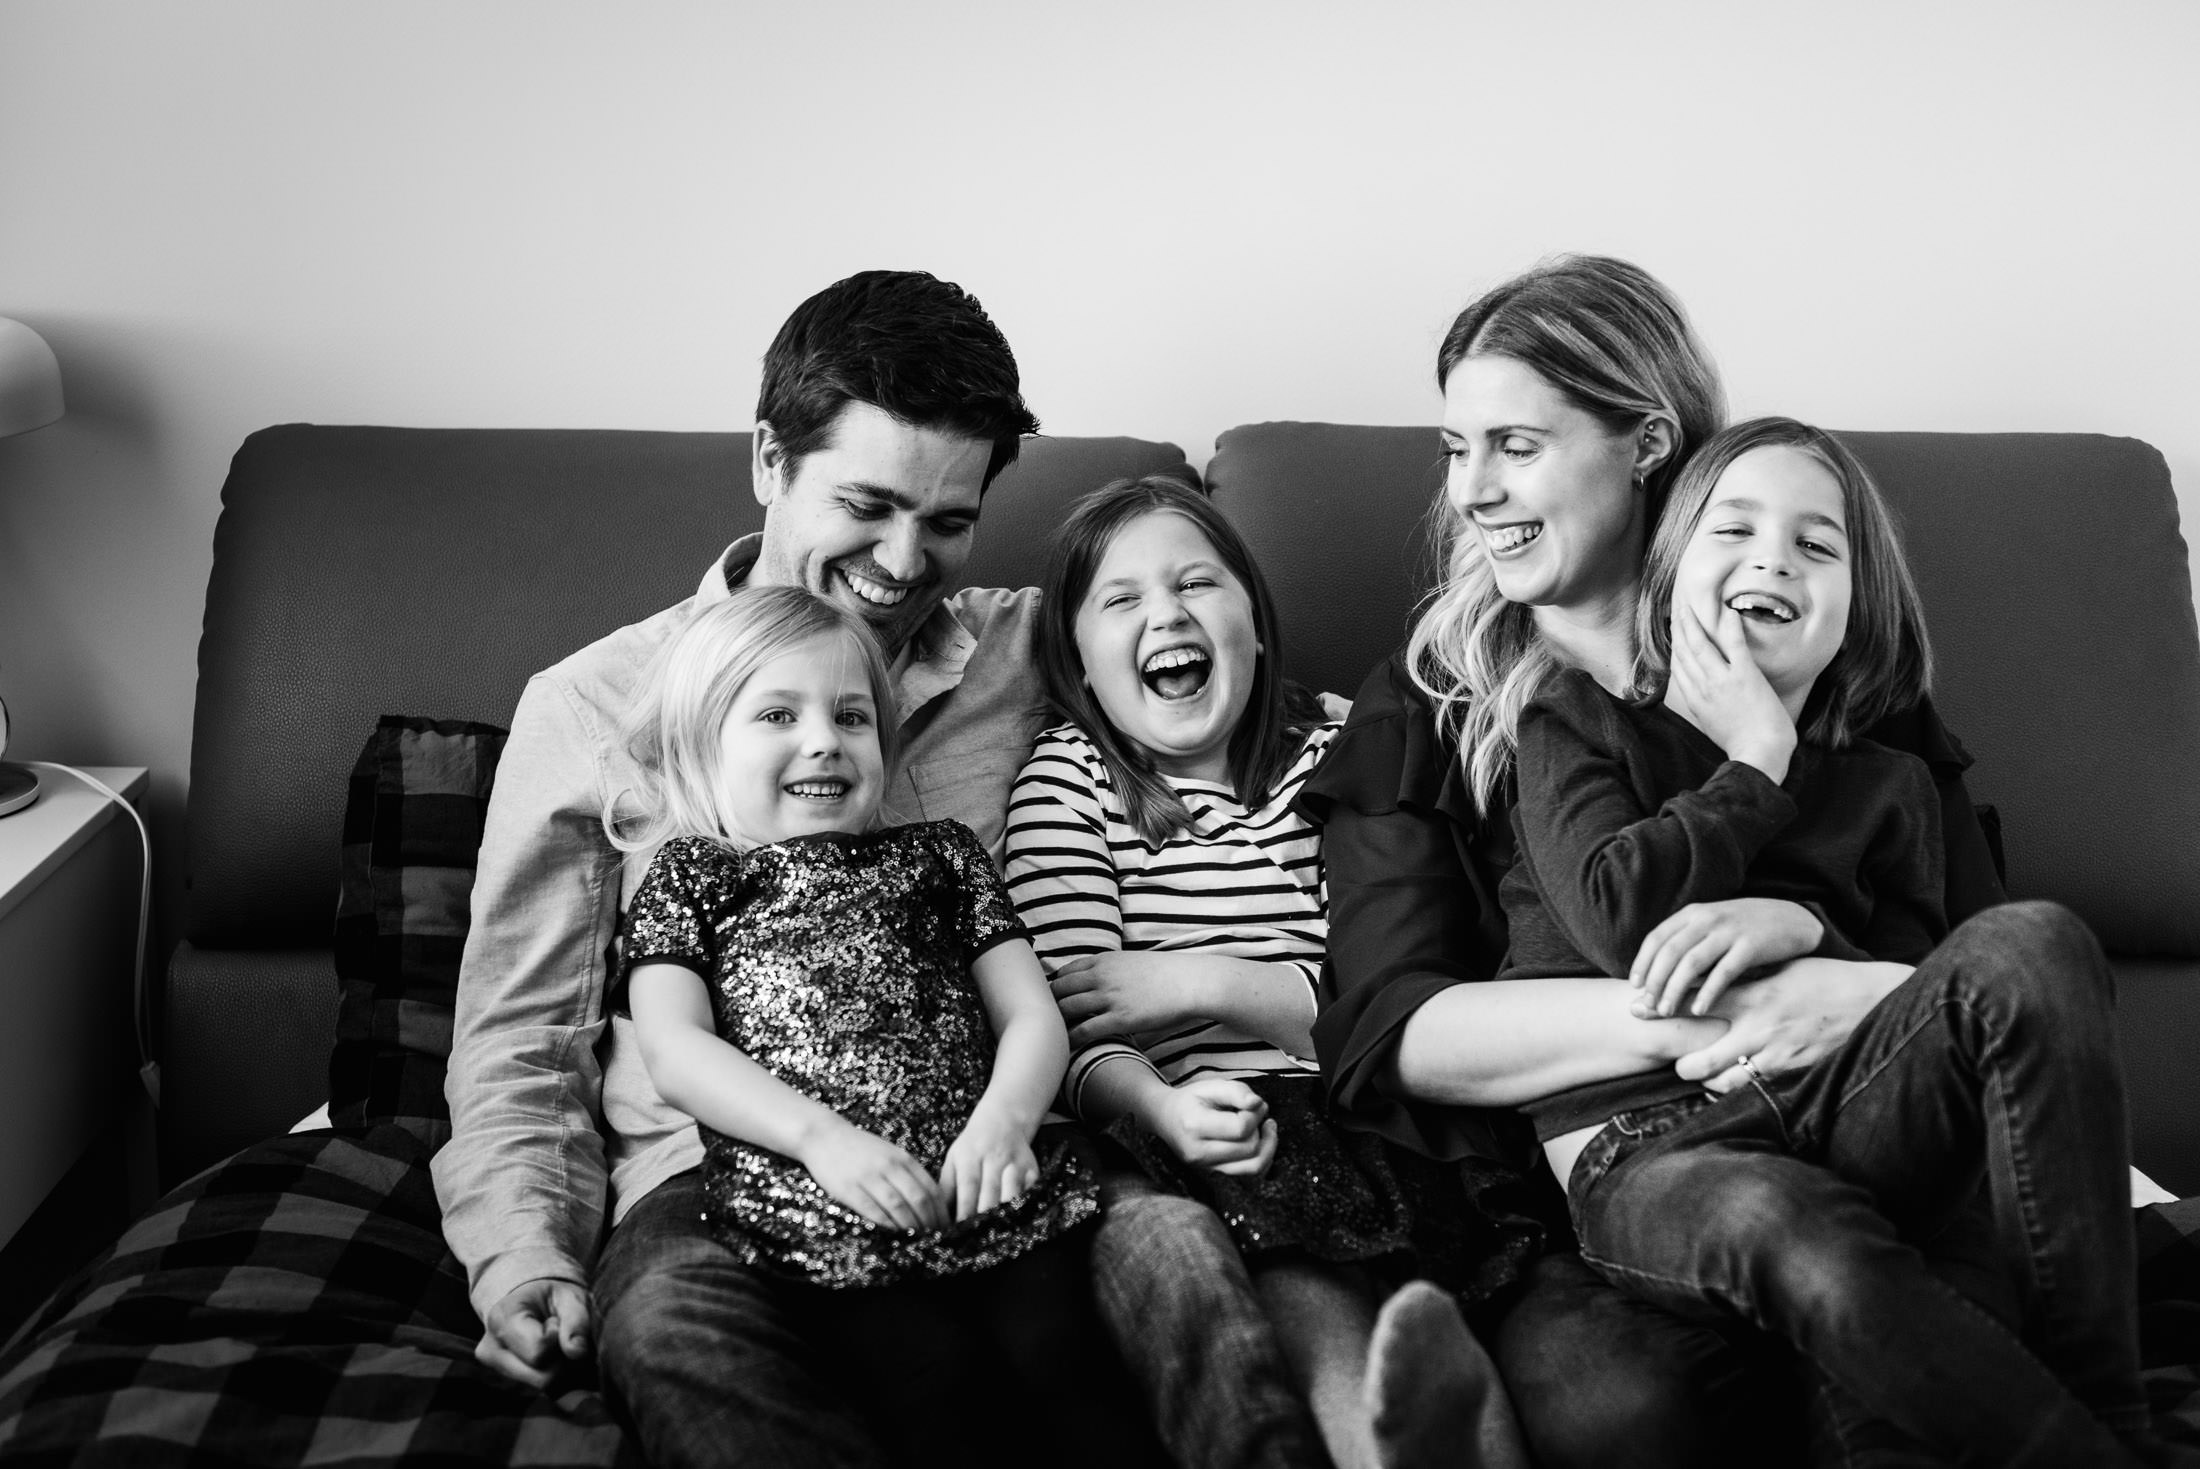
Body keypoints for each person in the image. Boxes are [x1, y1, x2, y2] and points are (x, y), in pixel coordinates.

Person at [434, 270, 1287, 1469]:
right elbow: (522, 1041)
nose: (902, 561)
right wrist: (523, 1255)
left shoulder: (1028, 647)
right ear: (768, 460)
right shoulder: (590, 708)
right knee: (674, 1328)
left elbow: (1221, 687)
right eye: (867, 504)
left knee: (1177, 1259)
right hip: (714, 1171)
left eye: (945, 521)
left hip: (997, 1141)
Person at [1299, 255, 2012, 1468]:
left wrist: (1856, 986)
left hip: (1856, 1124)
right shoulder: (1428, 704)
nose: (1471, 491)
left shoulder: (1817, 654)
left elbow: (1982, 957)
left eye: (1512, 445)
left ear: (1643, 441)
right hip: (1568, 1179)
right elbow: (1390, 1029)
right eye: (1453, 450)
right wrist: (1712, 1009)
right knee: (1623, 1405)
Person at [1501, 416, 2157, 1464]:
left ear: (1857, 611)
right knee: (1797, 1226)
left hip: (1855, 1116)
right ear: (1668, 566)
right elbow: (1618, 913)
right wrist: (1755, 764)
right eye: (1735, 529)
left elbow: (1963, 1001)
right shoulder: (1576, 721)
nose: (1771, 557)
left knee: (2035, 939)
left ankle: (2107, 1412)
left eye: (1816, 544)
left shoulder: (1888, 783)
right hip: (1652, 1151)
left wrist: (1800, 921)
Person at [1005, 477, 1533, 1469]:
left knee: (1443, 1341)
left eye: (1197, 582)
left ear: (1252, 618)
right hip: (1202, 1127)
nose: (1166, 612)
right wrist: (1160, 1104)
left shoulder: (1338, 749)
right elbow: (1076, 1020)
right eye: (1120, 600)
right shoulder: (1067, 780)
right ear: (1077, 657)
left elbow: (1391, 994)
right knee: (1315, 1314)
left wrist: (1198, 977)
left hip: (1377, 1112)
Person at [608, 584, 1149, 1468]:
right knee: (931, 1385)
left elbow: (1031, 1017)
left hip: (991, 1174)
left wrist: (1005, 1126)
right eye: (778, 712)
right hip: (820, 1199)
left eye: (852, 716)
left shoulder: (939, 855)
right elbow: (676, 1048)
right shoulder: (694, 876)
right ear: (701, 743)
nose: (824, 737)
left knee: (1072, 1370)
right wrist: (822, 1141)